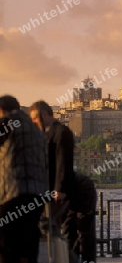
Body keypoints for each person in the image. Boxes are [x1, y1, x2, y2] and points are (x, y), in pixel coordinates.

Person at [0, 95, 48, 263]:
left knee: (7, 243)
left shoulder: (8, 121)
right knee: (28, 241)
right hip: (37, 196)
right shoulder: (37, 130)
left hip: (14, 192)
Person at [29, 101, 75, 232]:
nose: (33, 123)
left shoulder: (61, 132)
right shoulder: (48, 134)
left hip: (58, 192)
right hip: (50, 190)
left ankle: (56, 252)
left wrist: (59, 189)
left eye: (35, 118)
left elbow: (63, 161)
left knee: (48, 225)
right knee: (51, 226)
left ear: (44, 114)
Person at [62, 171, 97, 263]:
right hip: (68, 194)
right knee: (68, 230)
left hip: (84, 191)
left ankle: (88, 260)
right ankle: (73, 258)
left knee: (84, 230)